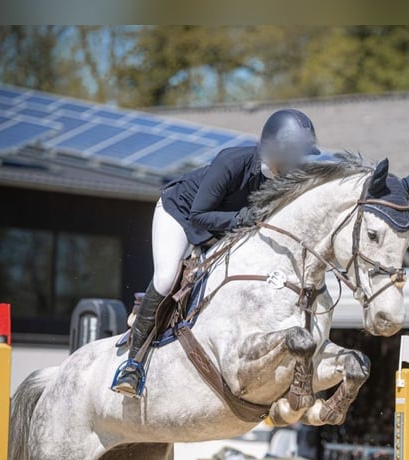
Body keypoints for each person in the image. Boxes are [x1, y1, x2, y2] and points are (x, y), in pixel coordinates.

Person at [112, 109, 320, 398]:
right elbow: (199, 215)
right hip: (180, 213)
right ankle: (132, 365)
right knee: (167, 276)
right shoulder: (231, 161)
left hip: (223, 224)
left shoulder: (284, 180)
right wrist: (241, 218)